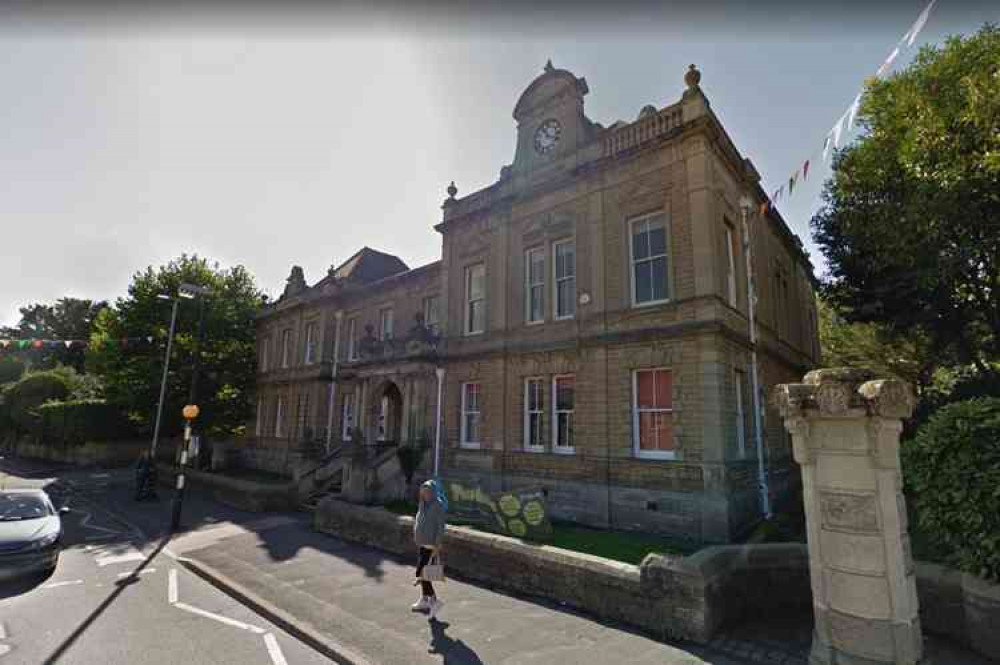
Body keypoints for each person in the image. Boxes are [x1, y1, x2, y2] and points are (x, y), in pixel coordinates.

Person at [412, 479, 447, 618]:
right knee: (423, 575)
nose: (425, 494)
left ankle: (434, 601)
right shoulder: (423, 504)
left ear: (433, 492)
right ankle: (425, 600)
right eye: (423, 491)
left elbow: (440, 527)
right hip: (422, 543)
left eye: (428, 491)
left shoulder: (437, 505)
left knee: (423, 575)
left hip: (431, 545)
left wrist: (437, 546)